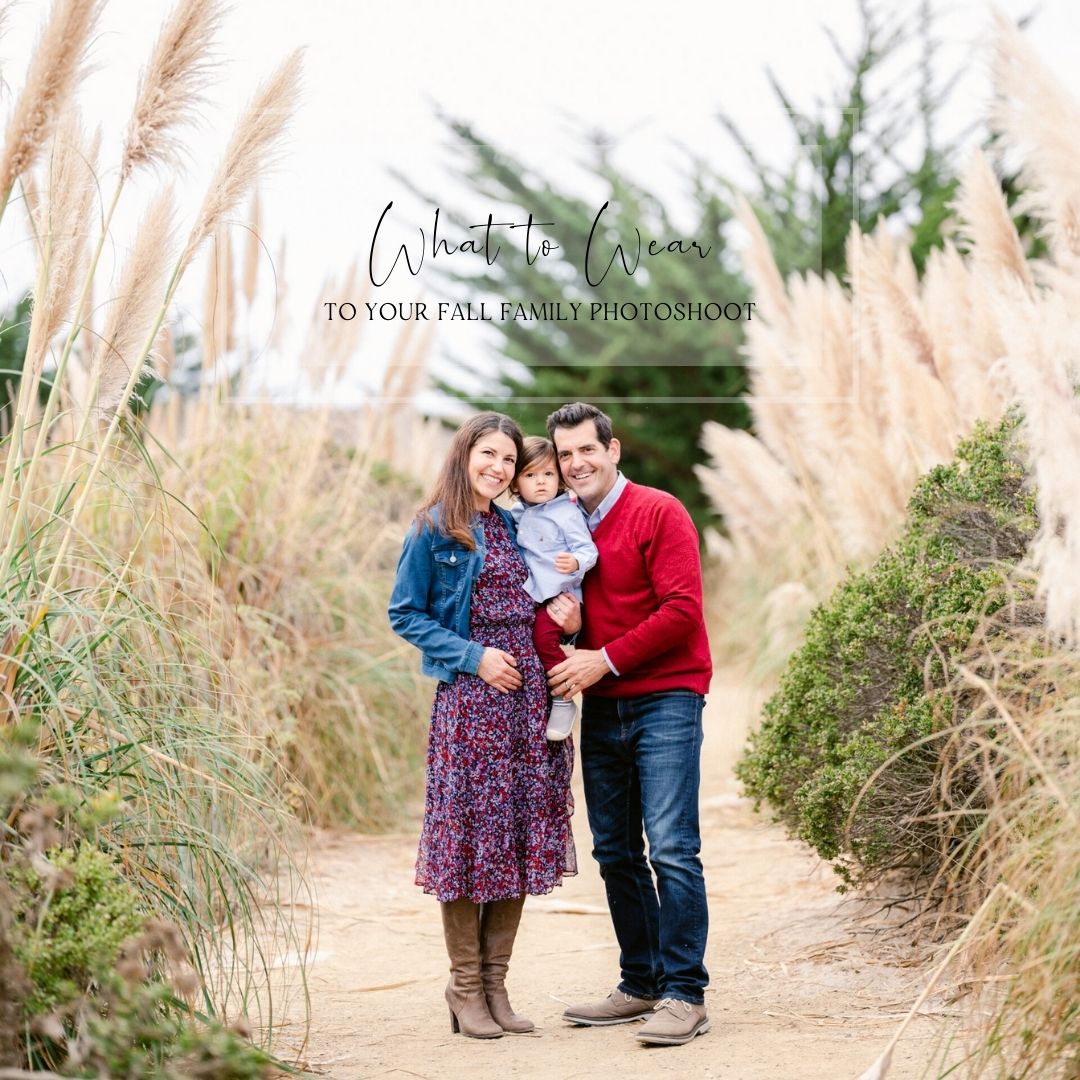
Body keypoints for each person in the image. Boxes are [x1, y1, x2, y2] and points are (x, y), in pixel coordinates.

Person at [386, 411, 576, 1040]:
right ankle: (464, 987)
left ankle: (496, 986)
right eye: (488, 454)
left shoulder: (515, 524)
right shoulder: (435, 527)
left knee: (517, 837)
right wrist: (474, 657)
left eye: (508, 459)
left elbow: (547, 592)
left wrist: (569, 619)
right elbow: (405, 613)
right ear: (464, 454)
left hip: (528, 703)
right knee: (470, 840)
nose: (498, 467)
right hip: (473, 703)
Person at [544, 401, 713, 1047]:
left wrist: (603, 658)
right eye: (565, 454)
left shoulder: (658, 511)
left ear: (612, 451)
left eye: (587, 449)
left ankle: (685, 994)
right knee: (614, 850)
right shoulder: (564, 526)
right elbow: (581, 613)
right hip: (604, 702)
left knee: (671, 847)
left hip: (667, 697)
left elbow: (682, 609)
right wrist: (572, 629)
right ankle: (641, 982)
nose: (576, 463)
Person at [509, 436, 599, 741]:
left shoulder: (566, 512)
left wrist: (575, 562)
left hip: (561, 596)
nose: (541, 482)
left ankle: (563, 695)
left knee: (543, 638)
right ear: (515, 482)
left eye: (548, 474)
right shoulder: (516, 513)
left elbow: (588, 550)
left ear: (559, 478)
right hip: (534, 595)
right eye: (530, 475)